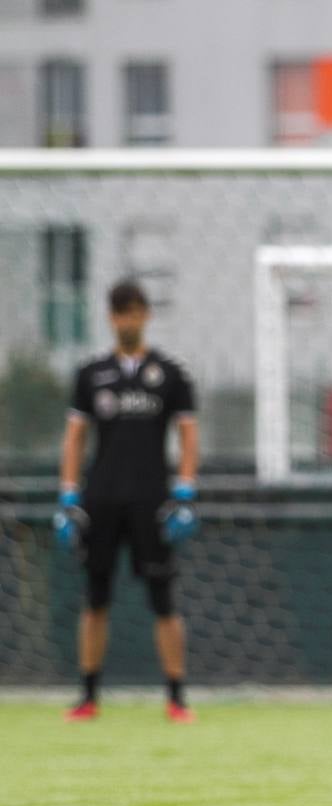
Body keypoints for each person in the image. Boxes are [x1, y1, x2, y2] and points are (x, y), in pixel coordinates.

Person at [55, 279, 201, 724]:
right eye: (120, 312)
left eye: (135, 311)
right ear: (110, 317)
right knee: (95, 600)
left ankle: (176, 698)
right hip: (101, 500)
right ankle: (88, 696)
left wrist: (186, 491)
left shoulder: (170, 376)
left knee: (163, 601)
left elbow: (188, 433)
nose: (127, 319)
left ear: (146, 315)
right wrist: (68, 495)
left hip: (152, 500)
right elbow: (75, 436)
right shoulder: (91, 375)